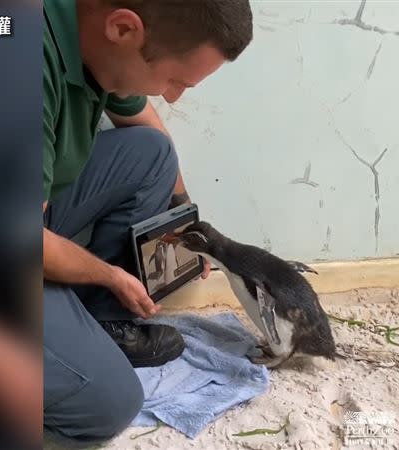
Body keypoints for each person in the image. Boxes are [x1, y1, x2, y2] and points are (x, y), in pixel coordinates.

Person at [41, 0, 254, 444]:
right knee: (108, 403)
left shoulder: (94, 34)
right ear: (123, 29)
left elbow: (148, 127)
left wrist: (186, 217)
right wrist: (110, 275)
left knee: (153, 154)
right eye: (176, 80)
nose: (173, 96)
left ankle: (101, 327)